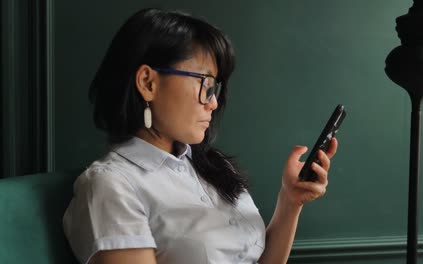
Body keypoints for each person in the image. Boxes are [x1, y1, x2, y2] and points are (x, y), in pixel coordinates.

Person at [63, 8, 338, 264]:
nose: (213, 103)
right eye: (204, 83)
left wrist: (290, 202)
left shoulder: (212, 167)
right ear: (148, 83)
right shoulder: (111, 186)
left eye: (215, 87)